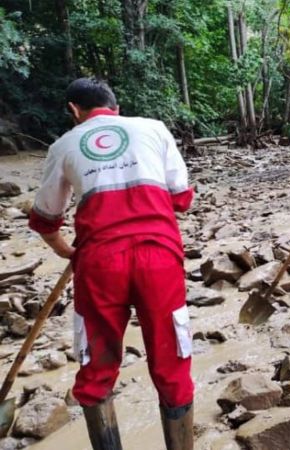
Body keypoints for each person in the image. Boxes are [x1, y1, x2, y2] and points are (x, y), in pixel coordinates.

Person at [28, 77, 194, 450]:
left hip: (99, 262)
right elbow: (182, 198)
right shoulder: (154, 128)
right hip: (160, 258)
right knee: (172, 366)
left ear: (74, 109)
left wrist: (66, 250)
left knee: (97, 370)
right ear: (116, 106)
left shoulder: (63, 144)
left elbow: (45, 217)